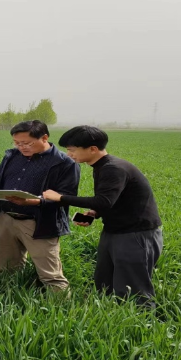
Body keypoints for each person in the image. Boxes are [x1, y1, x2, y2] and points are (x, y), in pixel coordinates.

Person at [42, 125, 163, 307]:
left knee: (133, 290)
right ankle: (108, 316)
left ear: (92, 149)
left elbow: (103, 201)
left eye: (72, 150)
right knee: (104, 282)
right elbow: (112, 199)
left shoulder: (113, 168)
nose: (69, 154)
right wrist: (94, 213)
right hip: (115, 230)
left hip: (135, 234)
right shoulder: (101, 166)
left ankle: (142, 320)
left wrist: (60, 198)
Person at [0, 120, 80, 291]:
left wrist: (34, 201)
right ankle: (8, 298)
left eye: (26, 143)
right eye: (17, 143)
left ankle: (60, 303)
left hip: (39, 221)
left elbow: (67, 196)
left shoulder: (64, 163)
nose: (21, 147)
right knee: (6, 268)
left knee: (50, 274)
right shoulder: (12, 156)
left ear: (44, 138)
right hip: (6, 218)